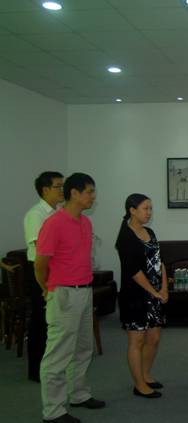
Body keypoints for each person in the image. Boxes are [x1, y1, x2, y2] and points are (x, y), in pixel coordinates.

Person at [35, 173, 105, 423]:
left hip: (85, 291)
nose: (93, 197)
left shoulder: (86, 223)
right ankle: (53, 411)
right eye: (89, 192)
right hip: (63, 293)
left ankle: (79, 394)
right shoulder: (54, 223)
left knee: (84, 348)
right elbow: (40, 264)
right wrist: (48, 288)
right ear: (74, 193)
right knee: (58, 354)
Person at [115, 193, 168, 399]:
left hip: (155, 294)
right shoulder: (126, 237)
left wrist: (164, 288)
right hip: (135, 297)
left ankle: (146, 375)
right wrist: (155, 292)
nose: (149, 212)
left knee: (154, 338)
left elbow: (160, 262)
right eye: (145, 208)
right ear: (132, 210)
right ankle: (139, 385)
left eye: (150, 208)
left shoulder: (150, 232)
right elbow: (134, 271)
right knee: (136, 341)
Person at [23, 171, 64, 382]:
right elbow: (42, 249)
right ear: (45, 190)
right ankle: (36, 370)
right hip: (40, 270)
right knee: (40, 321)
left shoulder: (59, 212)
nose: (62, 190)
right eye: (58, 186)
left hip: (57, 270)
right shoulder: (36, 214)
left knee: (55, 322)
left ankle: (53, 365)